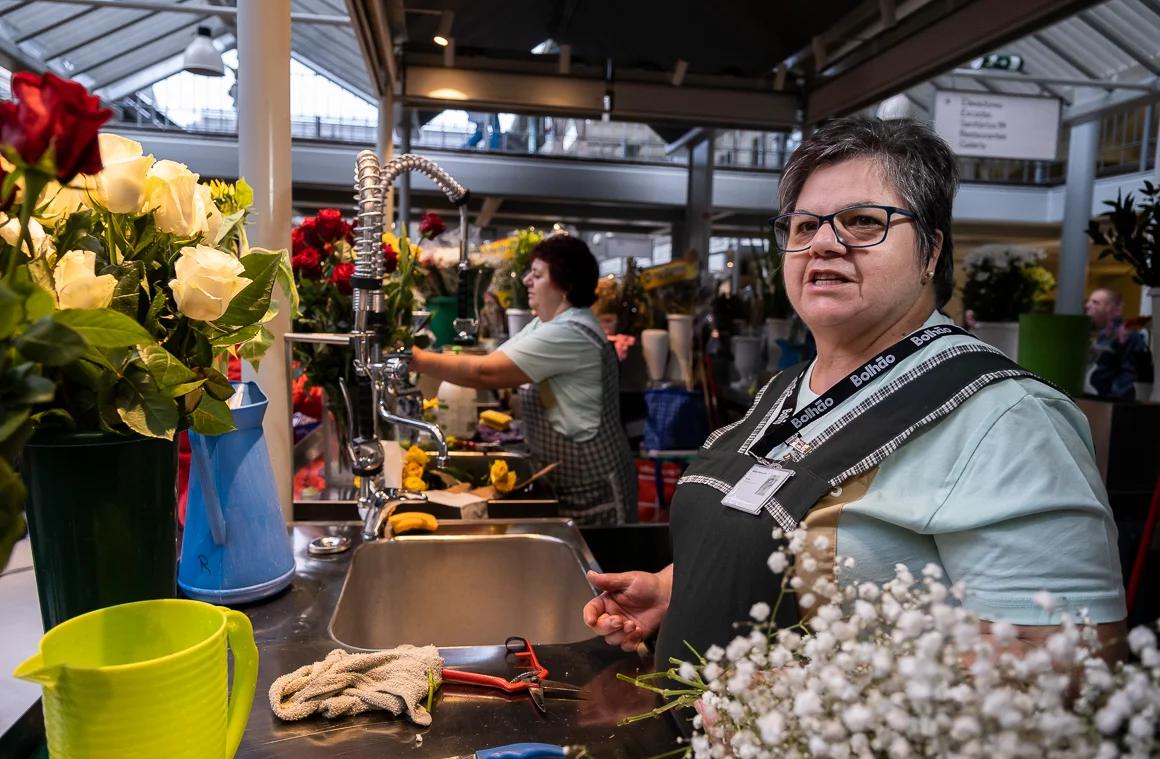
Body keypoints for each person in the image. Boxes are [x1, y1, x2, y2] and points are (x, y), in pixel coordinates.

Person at [583, 116, 1126, 672]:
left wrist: (813, 713)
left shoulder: (1010, 420)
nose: (822, 243)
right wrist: (675, 589)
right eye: (803, 226)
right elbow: (779, 543)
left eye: (863, 222)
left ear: (931, 252)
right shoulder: (785, 389)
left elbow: (1067, 665)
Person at [411, 234, 636, 525]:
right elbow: (491, 362)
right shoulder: (547, 324)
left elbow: (486, 373)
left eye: (538, 274)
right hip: (569, 484)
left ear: (565, 285)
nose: (527, 280)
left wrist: (416, 359)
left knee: (596, 569)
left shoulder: (569, 333)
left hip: (593, 490)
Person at [1084, 287, 1150, 399]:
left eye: (1095, 302)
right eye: (1089, 301)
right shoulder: (1100, 335)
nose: (1088, 306)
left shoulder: (1127, 336)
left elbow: (1129, 373)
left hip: (1107, 403)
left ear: (1111, 308)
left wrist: (1113, 400)